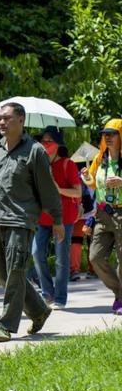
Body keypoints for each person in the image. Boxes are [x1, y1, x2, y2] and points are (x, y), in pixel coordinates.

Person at [0, 102, 63, 342]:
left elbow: (47, 190)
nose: (1, 122)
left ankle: (5, 326)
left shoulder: (35, 151)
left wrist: (57, 219)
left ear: (21, 120)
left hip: (21, 219)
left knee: (16, 270)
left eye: (6, 118)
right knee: (3, 274)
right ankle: (39, 310)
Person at [30, 126, 81, 310]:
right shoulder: (40, 164)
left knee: (61, 258)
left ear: (58, 144)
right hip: (42, 218)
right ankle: (47, 293)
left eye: (48, 141)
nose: (44, 144)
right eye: (42, 141)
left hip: (64, 218)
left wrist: (57, 189)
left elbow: (77, 191)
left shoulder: (68, 164)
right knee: (36, 253)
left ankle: (60, 298)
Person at [82, 118, 122, 316]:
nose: (108, 137)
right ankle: (119, 292)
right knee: (95, 257)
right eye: (105, 134)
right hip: (103, 214)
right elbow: (92, 185)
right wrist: (87, 178)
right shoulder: (99, 158)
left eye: (112, 133)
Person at [69, 161, 96, 281]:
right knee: (91, 242)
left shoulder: (76, 178)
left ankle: (74, 270)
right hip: (91, 214)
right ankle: (92, 270)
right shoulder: (96, 177)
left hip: (80, 215)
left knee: (76, 242)